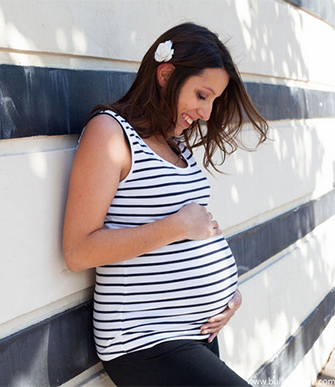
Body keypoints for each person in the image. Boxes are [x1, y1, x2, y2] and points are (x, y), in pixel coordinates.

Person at [62, 23, 268, 386]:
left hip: (197, 332)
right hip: (144, 338)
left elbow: (197, 228)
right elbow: (78, 251)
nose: (206, 113)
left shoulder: (176, 144)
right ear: (166, 74)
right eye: (202, 95)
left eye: (214, 101)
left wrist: (228, 293)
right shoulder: (110, 133)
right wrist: (177, 226)